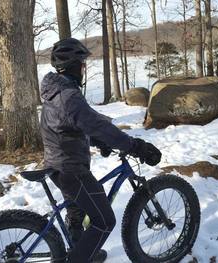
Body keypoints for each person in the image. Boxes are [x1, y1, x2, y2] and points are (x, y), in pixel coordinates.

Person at [40, 38, 162, 262]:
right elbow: (96, 124)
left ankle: (83, 249)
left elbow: (71, 126)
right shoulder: (69, 97)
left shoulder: (56, 92)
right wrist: (136, 146)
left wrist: (99, 142)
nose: (84, 69)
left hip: (59, 163)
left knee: (77, 214)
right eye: (83, 64)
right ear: (75, 66)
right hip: (71, 170)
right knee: (105, 221)